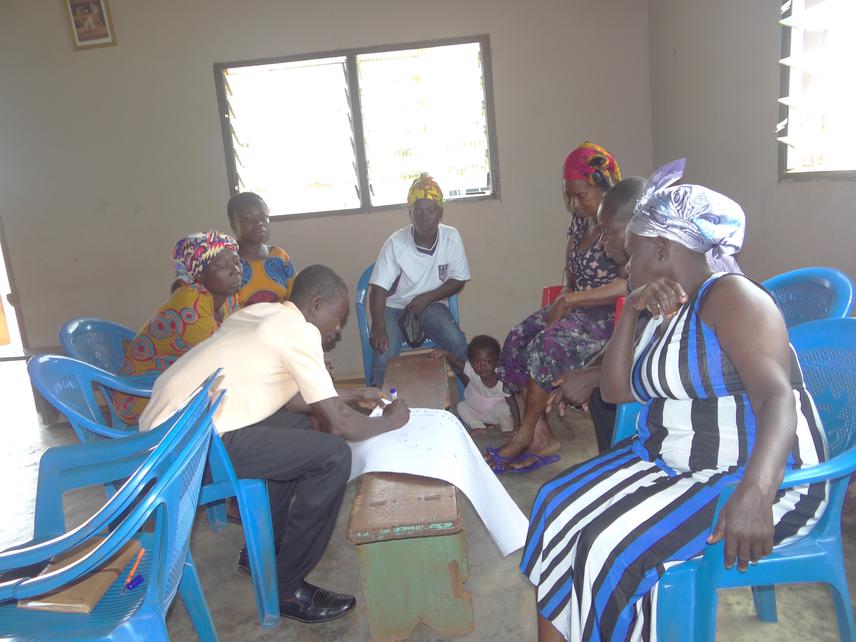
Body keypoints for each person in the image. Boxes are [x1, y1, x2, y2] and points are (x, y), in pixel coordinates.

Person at [522, 161, 828, 642]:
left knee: (612, 549)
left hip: (754, 477)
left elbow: (777, 396)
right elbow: (617, 391)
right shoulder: (665, 304)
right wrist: (633, 310)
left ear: (662, 248)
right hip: (674, 460)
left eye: (633, 255)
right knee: (553, 504)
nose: (624, 265)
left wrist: (757, 490)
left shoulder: (731, 297)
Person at [139, 264, 410, 624]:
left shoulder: (261, 314)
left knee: (299, 428)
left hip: (169, 433)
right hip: (187, 448)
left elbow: (289, 398)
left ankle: (259, 553)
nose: (338, 328)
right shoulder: (297, 332)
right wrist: (392, 421)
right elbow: (338, 423)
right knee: (331, 457)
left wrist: (355, 393)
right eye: (339, 317)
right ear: (315, 305)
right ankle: (285, 587)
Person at [549, 162, 744, 452]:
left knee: (607, 404)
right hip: (676, 434)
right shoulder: (652, 288)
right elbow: (634, 353)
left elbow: (675, 359)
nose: (603, 244)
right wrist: (591, 369)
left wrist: (593, 376)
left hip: (707, 445)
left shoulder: (722, 294)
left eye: (608, 232)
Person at [491, 142, 624, 471]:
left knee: (544, 348)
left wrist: (569, 301)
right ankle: (540, 433)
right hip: (577, 309)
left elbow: (628, 283)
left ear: (602, 186)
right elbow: (571, 269)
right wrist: (566, 295)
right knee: (516, 338)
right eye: (569, 196)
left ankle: (524, 434)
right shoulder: (581, 222)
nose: (574, 203)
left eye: (581, 195)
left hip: (609, 318)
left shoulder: (620, 225)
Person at [114, 231, 242, 425]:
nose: (236, 270)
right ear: (198, 273)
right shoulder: (190, 307)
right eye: (223, 266)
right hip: (143, 397)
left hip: (179, 384)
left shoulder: (228, 298)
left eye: (237, 262)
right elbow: (219, 361)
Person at [368, 173, 469, 385]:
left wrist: (427, 298)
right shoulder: (396, 243)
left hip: (430, 304)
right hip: (393, 308)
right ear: (410, 213)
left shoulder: (451, 237)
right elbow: (378, 288)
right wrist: (378, 327)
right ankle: (380, 403)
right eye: (418, 211)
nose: (424, 217)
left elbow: (458, 280)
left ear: (440, 213)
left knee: (455, 339)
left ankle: (474, 392)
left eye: (430, 210)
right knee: (383, 351)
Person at [172, 192, 296, 306]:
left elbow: (294, 297)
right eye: (248, 219)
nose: (259, 223)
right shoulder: (224, 262)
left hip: (281, 326)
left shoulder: (280, 256)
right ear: (233, 224)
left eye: (263, 217)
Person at [432, 335, 519, 436]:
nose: (482, 366)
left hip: (497, 415)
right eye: (477, 362)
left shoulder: (503, 381)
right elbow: (457, 362)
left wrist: (518, 427)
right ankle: (478, 426)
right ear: (471, 364)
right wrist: (446, 353)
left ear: (497, 361)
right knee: (461, 406)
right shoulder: (472, 371)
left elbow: (513, 405)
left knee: (502, 408)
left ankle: (507, 428)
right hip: (479, 413)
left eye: (487, 361)